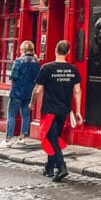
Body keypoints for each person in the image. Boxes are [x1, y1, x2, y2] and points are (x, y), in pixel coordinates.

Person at [29, 39, 82, 182]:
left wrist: (32, 103)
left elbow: (37, 89)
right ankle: (49, 167)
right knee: (54, 138)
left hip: (50, 110)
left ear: (55, 50)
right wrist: (78, 111)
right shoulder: (73, 69)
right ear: (68, 52)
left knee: (50, 138)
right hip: (64, 110)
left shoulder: (47, 68)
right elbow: (77, 91)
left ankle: (62, 166)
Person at [1, 40, 39, 146]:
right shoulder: (36, 63)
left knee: (11, 115)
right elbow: (37, 78)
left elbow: (13, 76)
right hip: (29, 92)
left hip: (17, 92)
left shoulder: (18, 61)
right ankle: (22, 138)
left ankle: (8, 139)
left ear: (23, 49)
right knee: (26, 115)